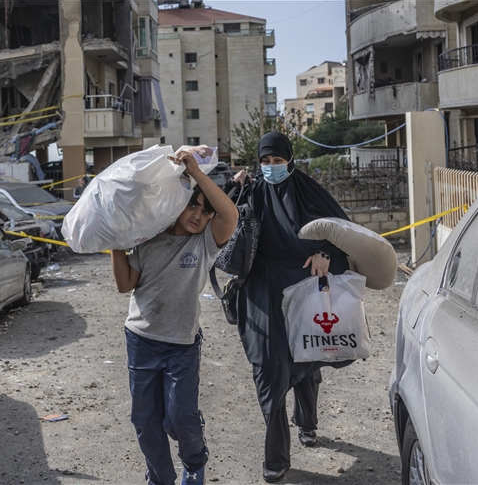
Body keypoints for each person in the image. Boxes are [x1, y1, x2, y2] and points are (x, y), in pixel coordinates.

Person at [230, 132, 353, 482]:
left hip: (304, 285)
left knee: (306, 355)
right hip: (262, 287)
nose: (271, 168)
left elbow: (346, 234)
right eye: (265, 162)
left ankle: (308, 422)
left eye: (277, 161)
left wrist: (326, 254)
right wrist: (232, 184)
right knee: (269, 364)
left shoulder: (308, 191)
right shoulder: (251, 191)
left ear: (290, 159)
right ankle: (276, 458)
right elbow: (216, 219)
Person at [111, 149, 238, 485]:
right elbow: (126, 285)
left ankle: (194, 463)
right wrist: (116, 244)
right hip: (141, 340)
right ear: (179, 203)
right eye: (192, 205)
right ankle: (161, 479)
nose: (197, 214)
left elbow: (231, 214)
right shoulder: (148, 239)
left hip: (182, 344)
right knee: (145, 420)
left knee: (180, 418)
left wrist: (196, 172)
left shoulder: (205, 243)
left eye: (204, 210)